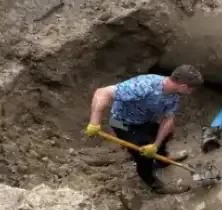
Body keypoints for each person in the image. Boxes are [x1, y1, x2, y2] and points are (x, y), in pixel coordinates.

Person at [84, 65, 203, 194]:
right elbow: (102, 92)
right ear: (184, 86)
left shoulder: (174, 94)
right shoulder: (143, 86)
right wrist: (94, 121)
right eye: (191, 89)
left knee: (165, 134)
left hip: (143, 121)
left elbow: (168, 119)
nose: (190, 92)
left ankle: (161, 159)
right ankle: (153, 183)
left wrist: (156, 145)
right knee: (143, 154)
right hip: (120, 122)